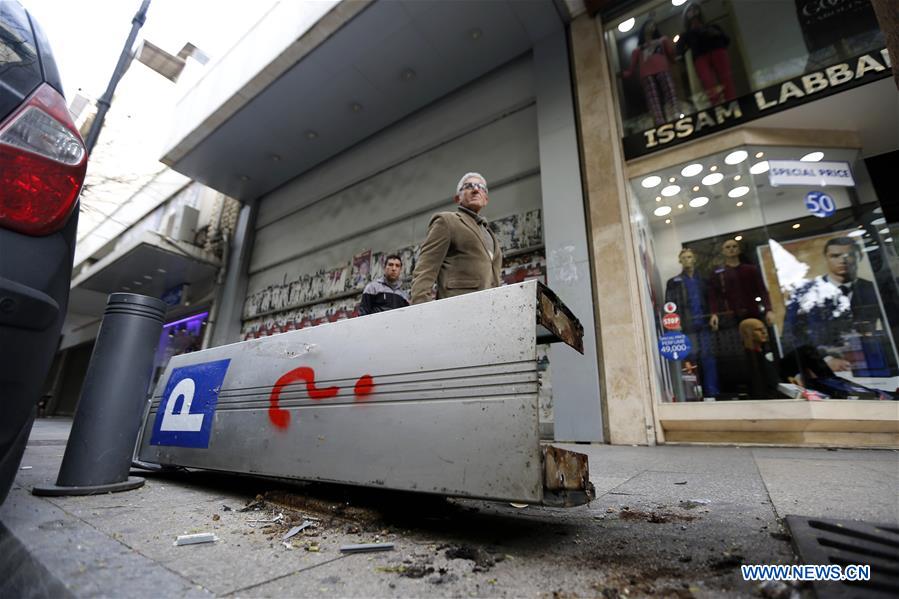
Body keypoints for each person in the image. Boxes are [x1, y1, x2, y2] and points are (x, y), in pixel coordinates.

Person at [782, 237, 892, 374]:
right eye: (835, 256)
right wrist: (825, 360)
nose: (843, 260)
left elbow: (891, 328)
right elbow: (790, 337)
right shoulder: (804, 293)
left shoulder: (873, 290)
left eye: (849, 255)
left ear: (860, 256)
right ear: (826, 258)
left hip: (872, 365)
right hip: (822, 370)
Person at [411, 172, 502, 304]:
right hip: (456, 307)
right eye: (469, 186)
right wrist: (420, 310)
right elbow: (425, 269)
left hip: (489, 309)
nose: (476, 190)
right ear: (457, 198)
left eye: (481, 187)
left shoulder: (490, 233)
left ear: (486, 199)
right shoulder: (447, 221)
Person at [664, 248, 719, 396]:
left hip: (704, 322)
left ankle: (711, 392)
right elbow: (670, 305)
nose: (687, 260)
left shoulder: (703, 281)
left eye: (690, 257)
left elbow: (711, 299)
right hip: (686, 325)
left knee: (708, 357)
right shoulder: (674, 282)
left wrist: (713, 314)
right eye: (684, 258)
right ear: (680, 261)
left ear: (694, 259)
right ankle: (692, 394)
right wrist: (675, 323)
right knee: (689, 360)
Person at [677, 2, 736, 106]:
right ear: (686, 15)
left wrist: (714, 34)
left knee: (726, 78)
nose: (693, 12)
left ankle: (732, 104)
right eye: (690, 10)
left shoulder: (712, 26)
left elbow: (726, 39)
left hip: (717, 50)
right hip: (700, 56)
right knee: (708, 83)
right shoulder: (686, 34)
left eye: (695, 9)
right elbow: (679, 51)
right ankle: (718, 107)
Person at [622, 19, 679, 126]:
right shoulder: (639, 49)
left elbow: (671, 54)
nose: (652, 27)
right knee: (653, 99)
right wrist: (624, 74)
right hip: (647, 74)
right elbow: (632, 68)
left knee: (670, 92)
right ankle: (659, 122)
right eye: (649, 25)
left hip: (663, 69)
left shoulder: (662, 41)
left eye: (653, 25)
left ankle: (675, 114)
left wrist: (674, 57)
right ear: (643, 29)